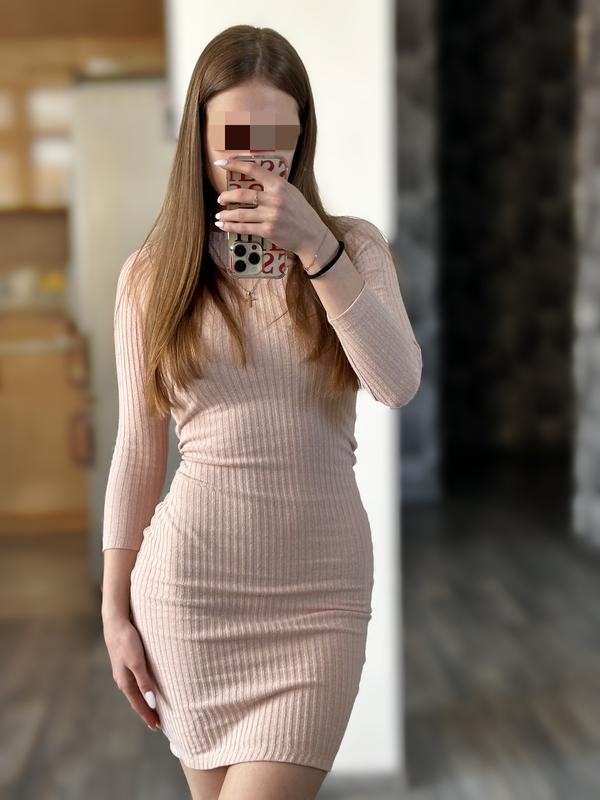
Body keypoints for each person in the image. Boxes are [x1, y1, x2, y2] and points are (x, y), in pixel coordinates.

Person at [101, 24, 422, 800]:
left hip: (317, 606)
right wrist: (113, 611)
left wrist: (318, 252)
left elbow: (397, 383)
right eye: (235, 139)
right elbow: (139, 452)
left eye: (275, 138)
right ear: (199, 139)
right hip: (191, 600)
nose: (255, 159)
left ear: (302, 137)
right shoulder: (151, 277)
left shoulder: (354, 250)